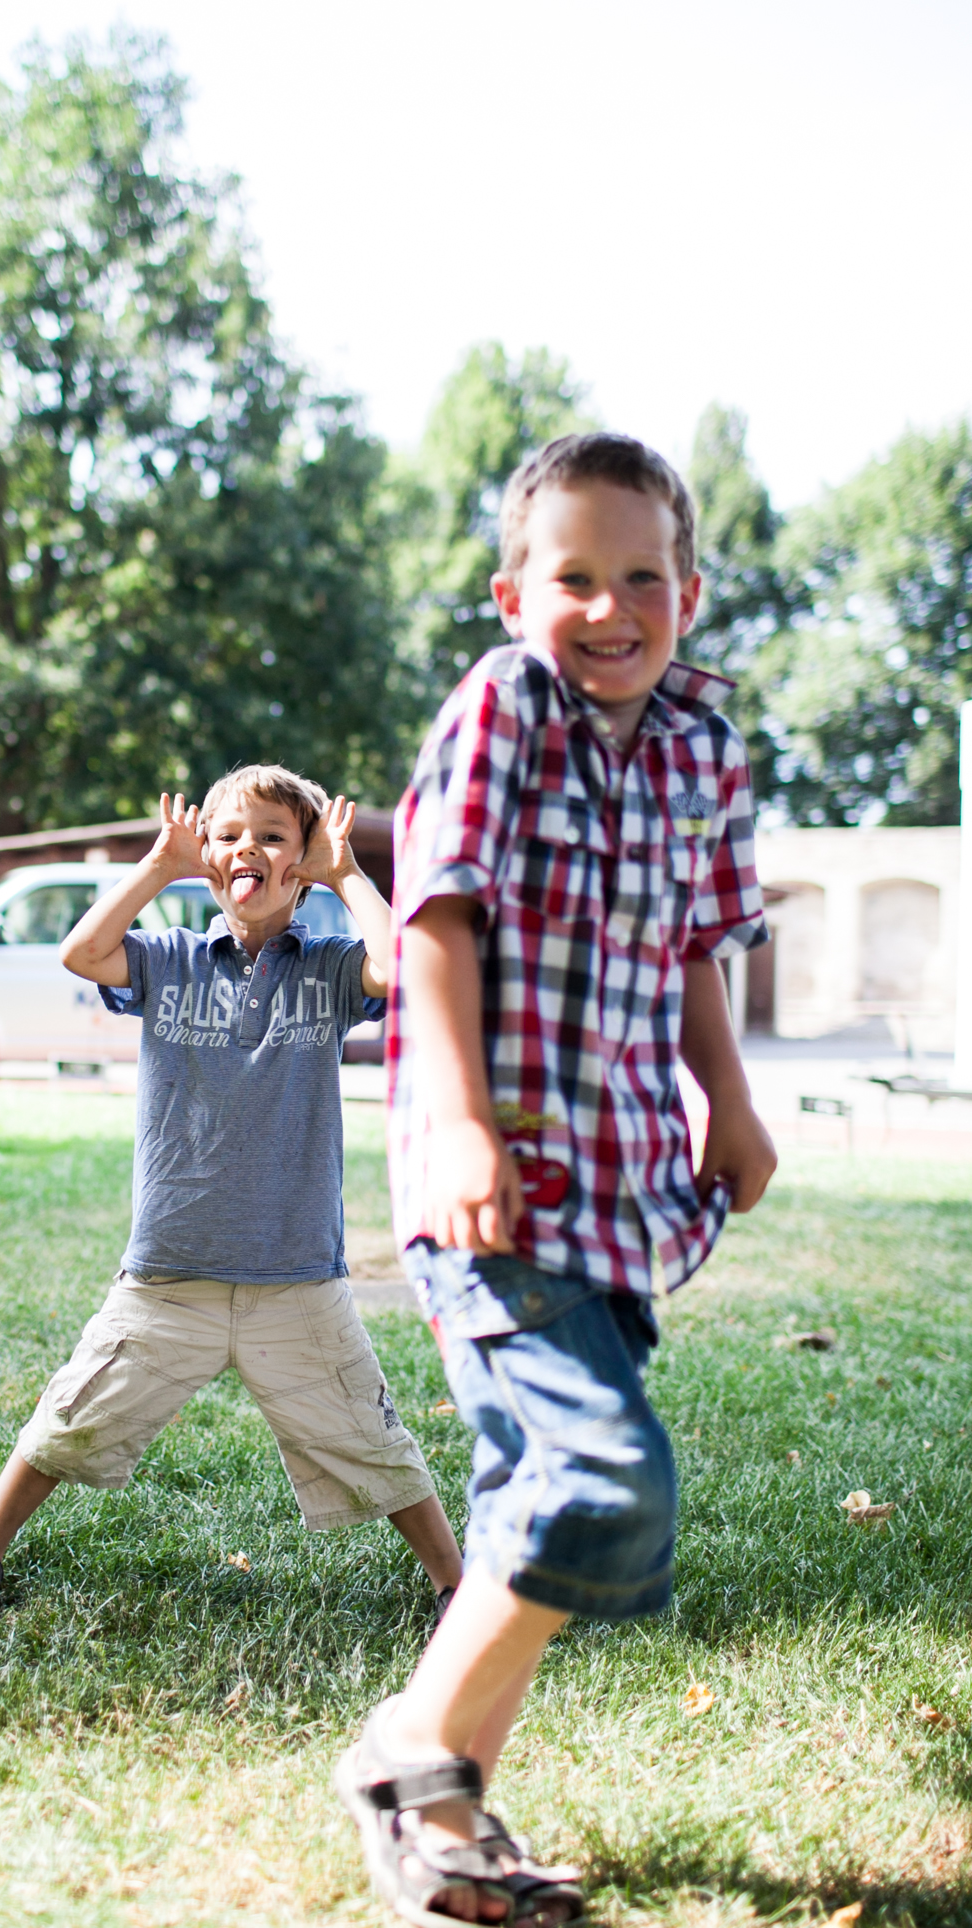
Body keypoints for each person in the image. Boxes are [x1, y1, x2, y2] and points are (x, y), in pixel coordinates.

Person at [334, 434, 778, 1928]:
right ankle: (404, 1748)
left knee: (527, 1495)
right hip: (494, 1179)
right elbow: (437, 918)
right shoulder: (502, 707)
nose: (608, 606)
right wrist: (456, 1121)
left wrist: (728, 1102)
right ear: (513, 591)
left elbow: (697, 948)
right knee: (604, 1481)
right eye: (572, 577)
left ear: (689, 591)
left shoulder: (707, 748)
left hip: (621, 1186)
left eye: (639, 575)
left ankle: (448, 1825)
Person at [0, 765, 464, 1617]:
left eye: (275, 837)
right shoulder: (169, 959)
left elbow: (400, 971)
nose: (248, 848)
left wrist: (350, 873)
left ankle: (454, 1586)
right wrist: (155, 868)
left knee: (372, 1438)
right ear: (206, 857)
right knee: (73, 1414)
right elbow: (81, 952)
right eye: (228, 834)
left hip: (294, 1275)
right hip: (170, 1270)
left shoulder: (326, 970)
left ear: (303, 859)